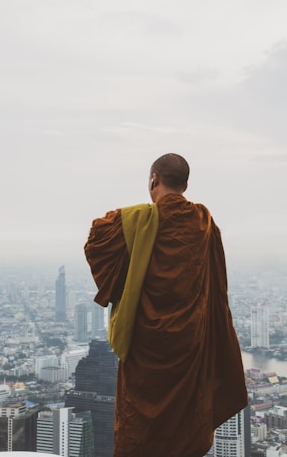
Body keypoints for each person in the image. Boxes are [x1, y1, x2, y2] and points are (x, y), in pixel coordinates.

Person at [84, 153, 248, 457]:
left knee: (139, 431)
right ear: (185, 185)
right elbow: (216, 285)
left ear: (153, 179)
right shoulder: (203, 222)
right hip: (190, 344)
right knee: (185, 427)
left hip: (145, 346)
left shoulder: (135, 220)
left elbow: (97, 240)